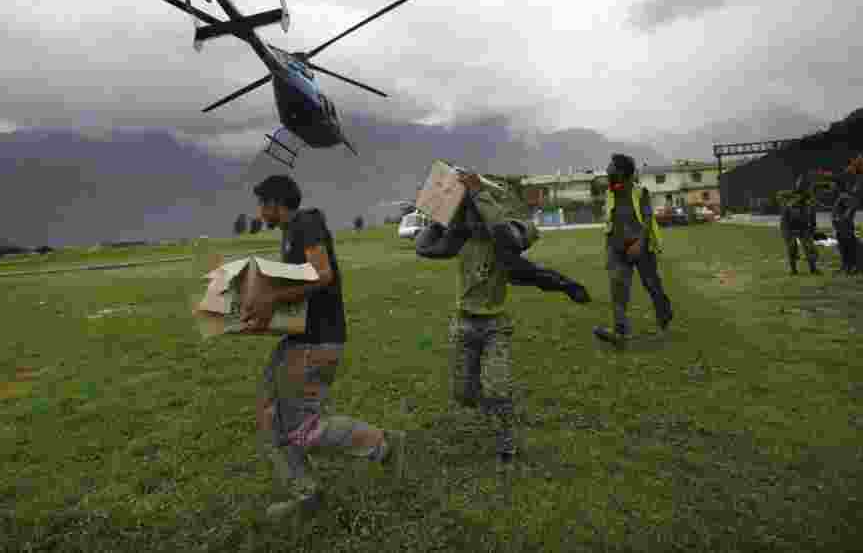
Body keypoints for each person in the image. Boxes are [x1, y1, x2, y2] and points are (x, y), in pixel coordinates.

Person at [243, 175, 406, 522]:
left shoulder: (306, 223)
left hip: (317, 342)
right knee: (270, 414)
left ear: (275, 203)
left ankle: (383, 444)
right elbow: (300, 292)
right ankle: (307, 493)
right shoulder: (292, 232)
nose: (259, 212)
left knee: (302, 427)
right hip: (300, 339)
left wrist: (269, 298)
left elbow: (321, 275)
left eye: (262, 204)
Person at [415, 169, 591, 467]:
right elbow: (424, 246)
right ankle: (496, 410)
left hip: (495, 327)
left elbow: (517, 250)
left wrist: (568, 286)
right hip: (464, 325)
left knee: (497, 389)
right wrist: (439, 212)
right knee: (464, 395)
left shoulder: (506, 244)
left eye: (476, 211)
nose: (472, 218)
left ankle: (506, 434)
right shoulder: (461, 241)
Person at [593, 153, 672, 348]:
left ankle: (664, 315)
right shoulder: (611, 192)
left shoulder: (640, 192)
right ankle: (620, 332)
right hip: (617, 248)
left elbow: (646, 218)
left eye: (611, 166)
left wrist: (639, 243)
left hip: (641, 247)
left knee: (652, 285)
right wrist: (609, 248)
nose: (608, 170)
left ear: (621, 172)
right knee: (617, 288)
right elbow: (611, 219)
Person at [778, 180, 820, 275]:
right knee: (792, 248)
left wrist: (812, 230)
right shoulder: (790, 203)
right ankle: (793, 270)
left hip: (803, 228)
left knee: (809, 248)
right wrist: (787, 235)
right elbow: (784, 221)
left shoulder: (809, 204)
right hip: (790, 228)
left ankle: (813, 268)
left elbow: (812, 219)